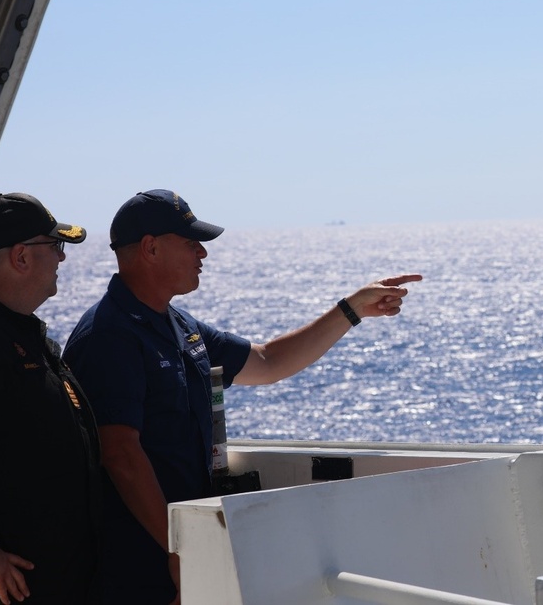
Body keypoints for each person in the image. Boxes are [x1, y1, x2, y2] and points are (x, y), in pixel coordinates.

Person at [62, 189, 421, 604]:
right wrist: (177, 551)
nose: (203, 253)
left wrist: (351, 310)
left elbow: (267, 362)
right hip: (141, 560)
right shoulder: (110, 335)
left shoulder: (177, 324)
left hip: (180, 549)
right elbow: (121, 455)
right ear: (151, 248)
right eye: (190, 242)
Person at [0, 193, 101, 605]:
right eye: (55, 247)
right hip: (3, 589)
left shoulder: (12, 328)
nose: (62, 259)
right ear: (21, 256)